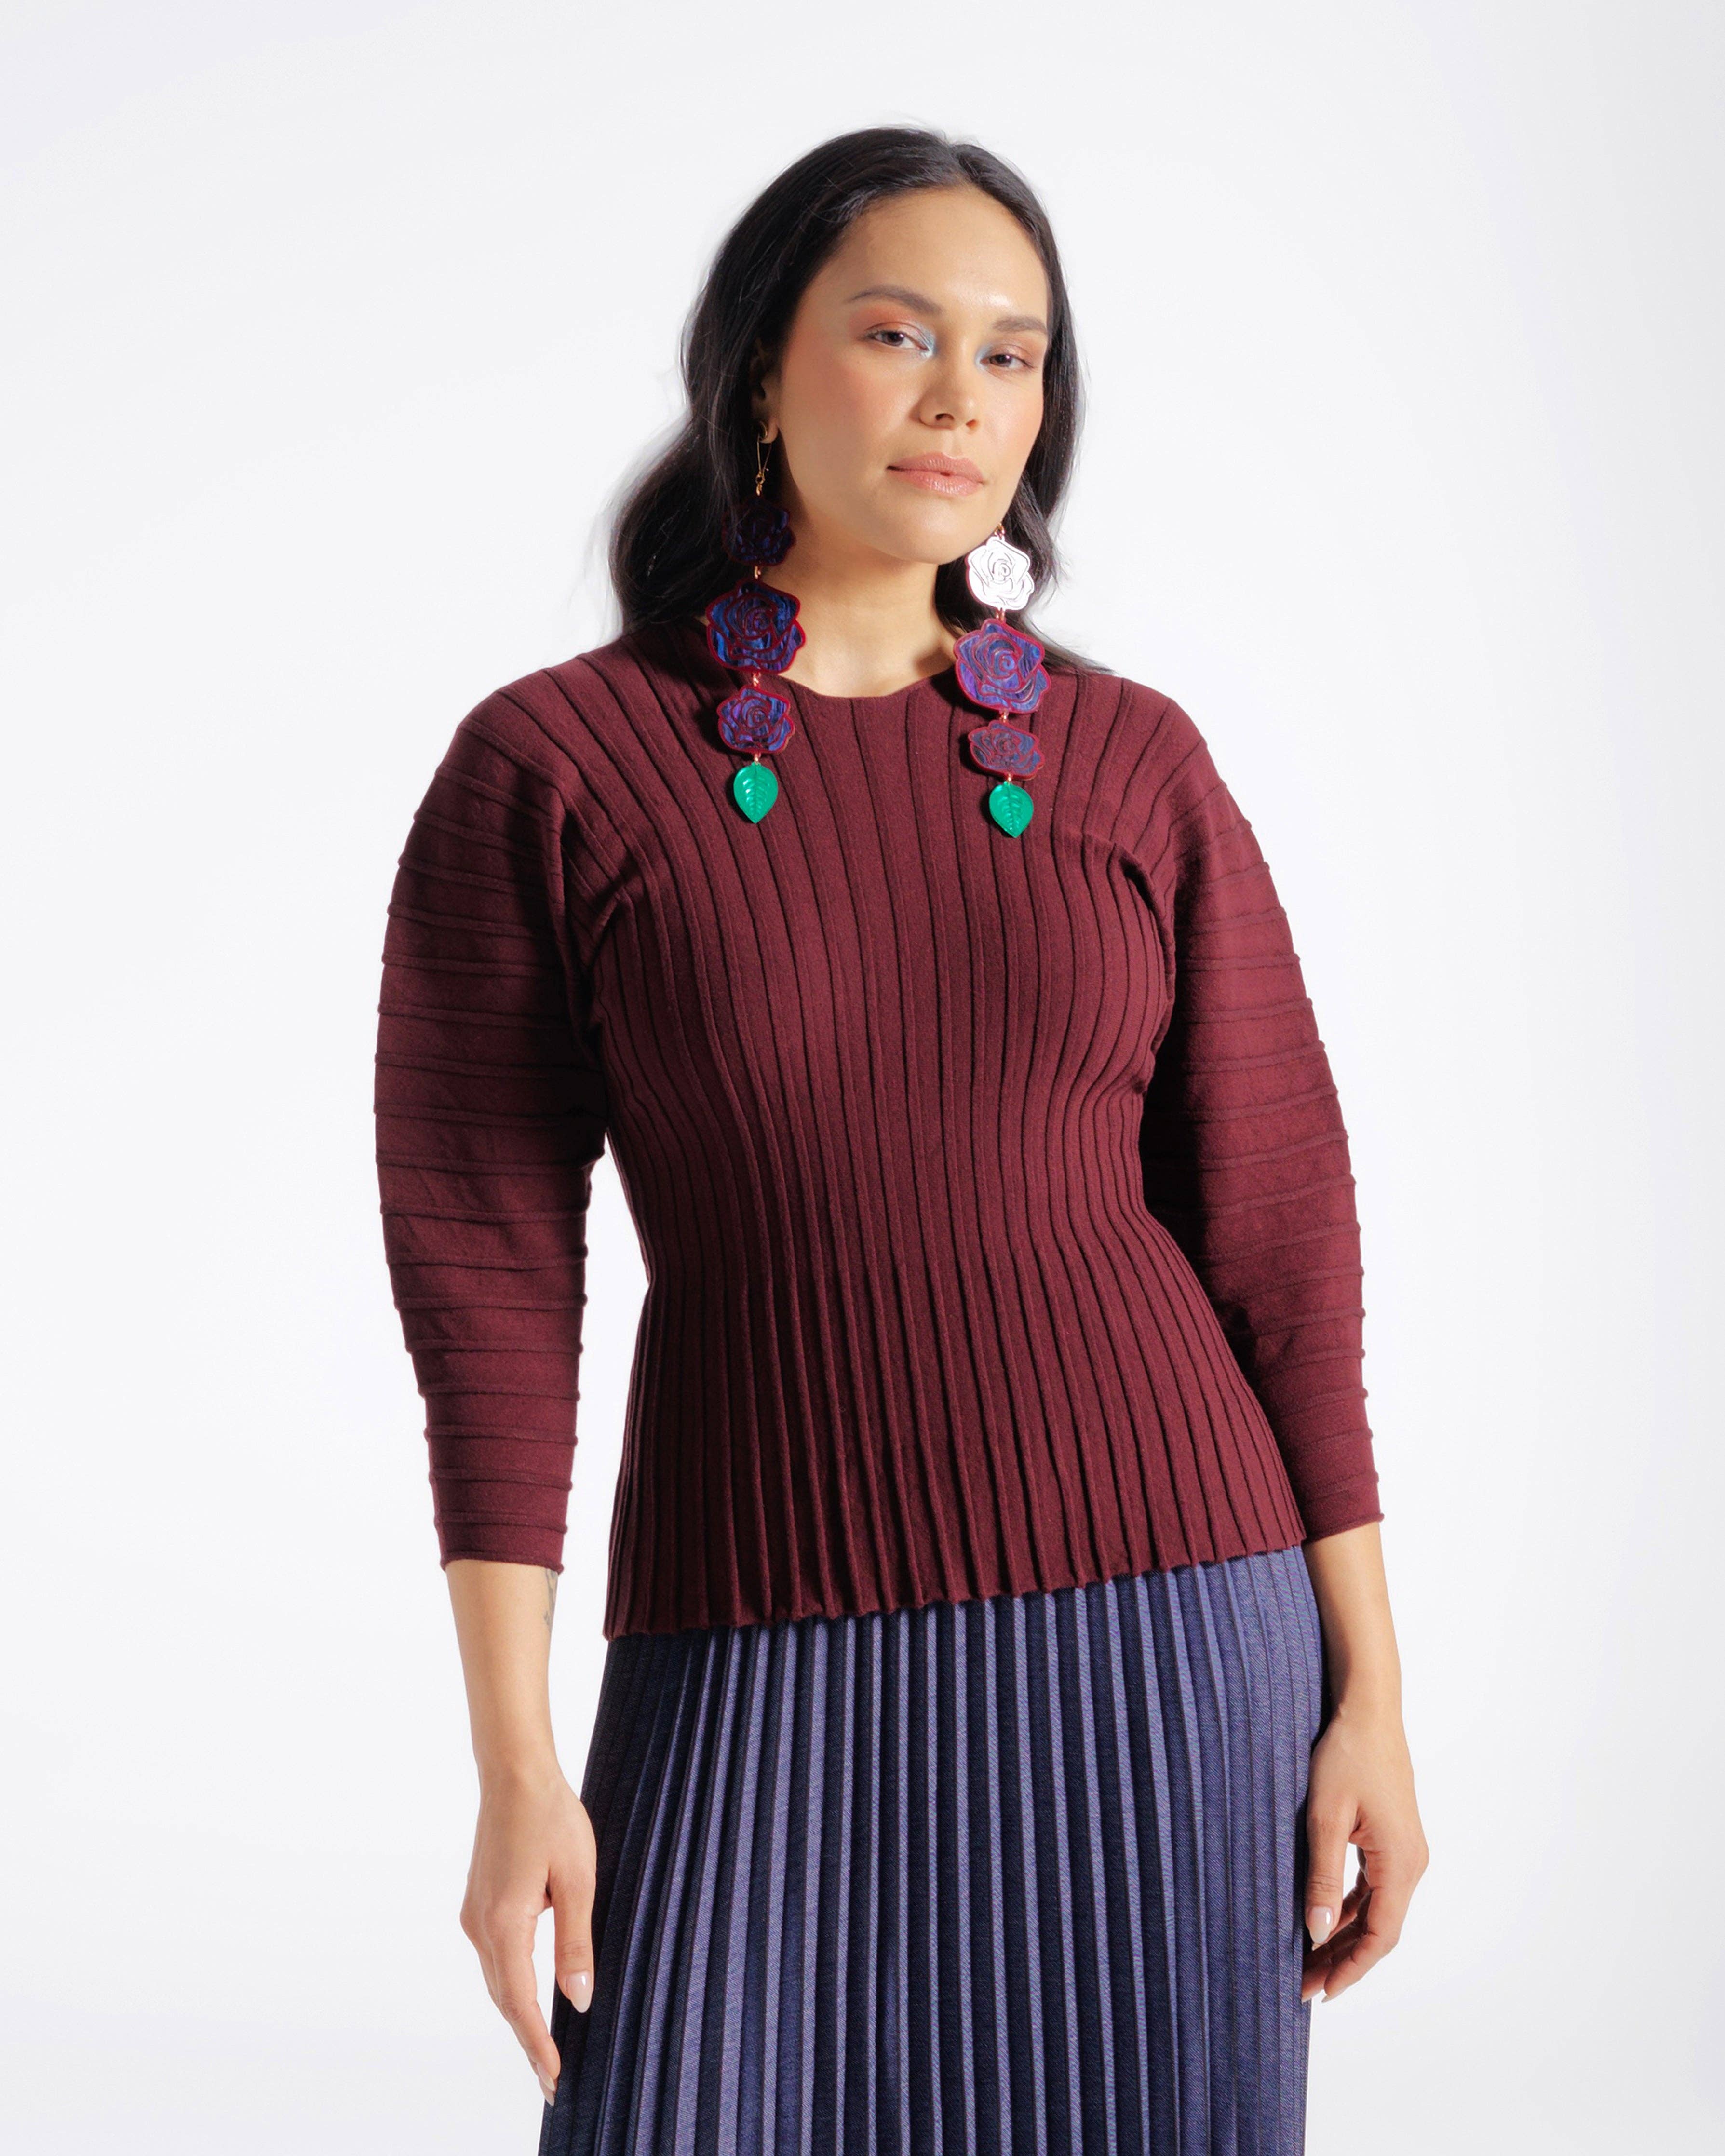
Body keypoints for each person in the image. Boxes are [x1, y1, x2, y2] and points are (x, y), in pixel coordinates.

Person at [374, 124, 1429, 2156]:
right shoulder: (559, 767)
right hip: (746, 1613)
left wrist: (1369, 1691)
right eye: (896, 332)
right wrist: (515, 1758)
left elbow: (1282, 1239)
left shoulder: (1131, 762)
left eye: (1011, 354)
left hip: (1167, 1627)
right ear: (761, 376)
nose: (961, 396)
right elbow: (484, 1278)